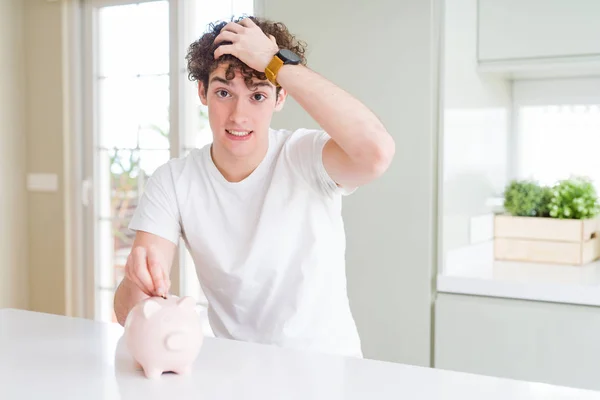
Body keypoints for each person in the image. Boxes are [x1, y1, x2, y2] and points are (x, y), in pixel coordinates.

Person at [113, 16, 394, 358]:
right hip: (238, 372)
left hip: (328, 369)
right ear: (202, 92)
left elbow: (376, 153)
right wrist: (136, 284)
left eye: (258, 96)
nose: (238, 116)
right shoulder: (174, 181)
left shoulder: (305, 157)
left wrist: (275, 62)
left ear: (280, 98)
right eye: (223, 93)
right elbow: (129, 313)